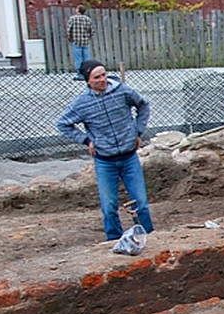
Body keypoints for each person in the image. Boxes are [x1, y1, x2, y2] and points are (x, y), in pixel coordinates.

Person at [56, 59, 155, 240]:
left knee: (141, 203)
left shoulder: (122, 91)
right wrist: (86, 140)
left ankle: (147, 236)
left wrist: (137, 131)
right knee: (109, 206)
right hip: (104, 160)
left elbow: (143, 105)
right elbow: (63, 124)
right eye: (97, 77)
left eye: (104, 75)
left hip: (128, 157)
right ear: (87, 81)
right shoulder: (82, 104)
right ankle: (114, 239)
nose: (102, 79)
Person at [66, 5, 94, 79]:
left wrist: (70, 38)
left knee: (78, 59)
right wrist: (88, 38)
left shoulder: (72, 19)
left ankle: (80, 75)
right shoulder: (88, 19)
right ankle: (87, 74)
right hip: (85, 42)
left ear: (78, 10)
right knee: (86, 59)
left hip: (76, 41)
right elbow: (92, 31)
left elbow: (69, 30)